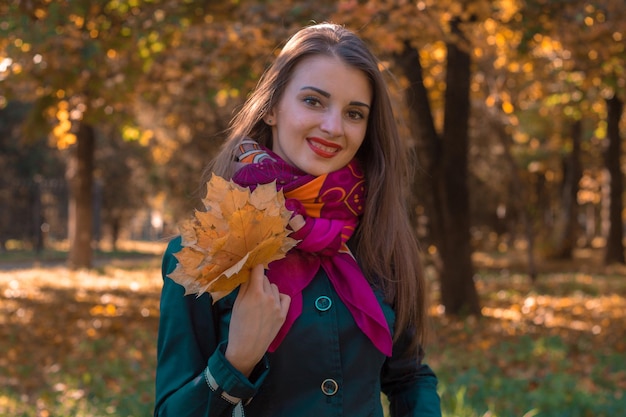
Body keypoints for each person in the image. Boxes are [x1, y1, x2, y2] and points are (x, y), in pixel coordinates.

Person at [154, 22, 441, 417]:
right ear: (271, 108)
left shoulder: (379, 241)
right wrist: (235, 362)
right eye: (313, 101)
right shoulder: (200, 253)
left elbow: (409, 378)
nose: (333, 127)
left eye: (354, 113)